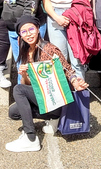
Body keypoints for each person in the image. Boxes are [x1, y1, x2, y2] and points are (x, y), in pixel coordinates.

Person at [5, 15, 89, 152]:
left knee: (18, 90)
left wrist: (75, 82)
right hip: (45, 97)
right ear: (20, 35)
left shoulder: (48, 49)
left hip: (55, 99)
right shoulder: (26, 51)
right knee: (13, 112)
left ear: (38, 29)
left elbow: (67, 68)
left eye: (31, 29)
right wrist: (24, 74)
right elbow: (26, 84)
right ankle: (54, 117)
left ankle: (30, 138)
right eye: (24, 31)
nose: (28, 34)